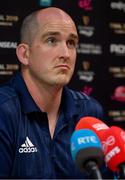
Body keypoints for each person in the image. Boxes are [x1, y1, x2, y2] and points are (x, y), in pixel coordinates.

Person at [0, 7, 114, 179]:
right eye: (52, 40)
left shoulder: (90, 111)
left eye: (71, 43)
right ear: (25, 54)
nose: (65, 54)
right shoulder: (4, 111)